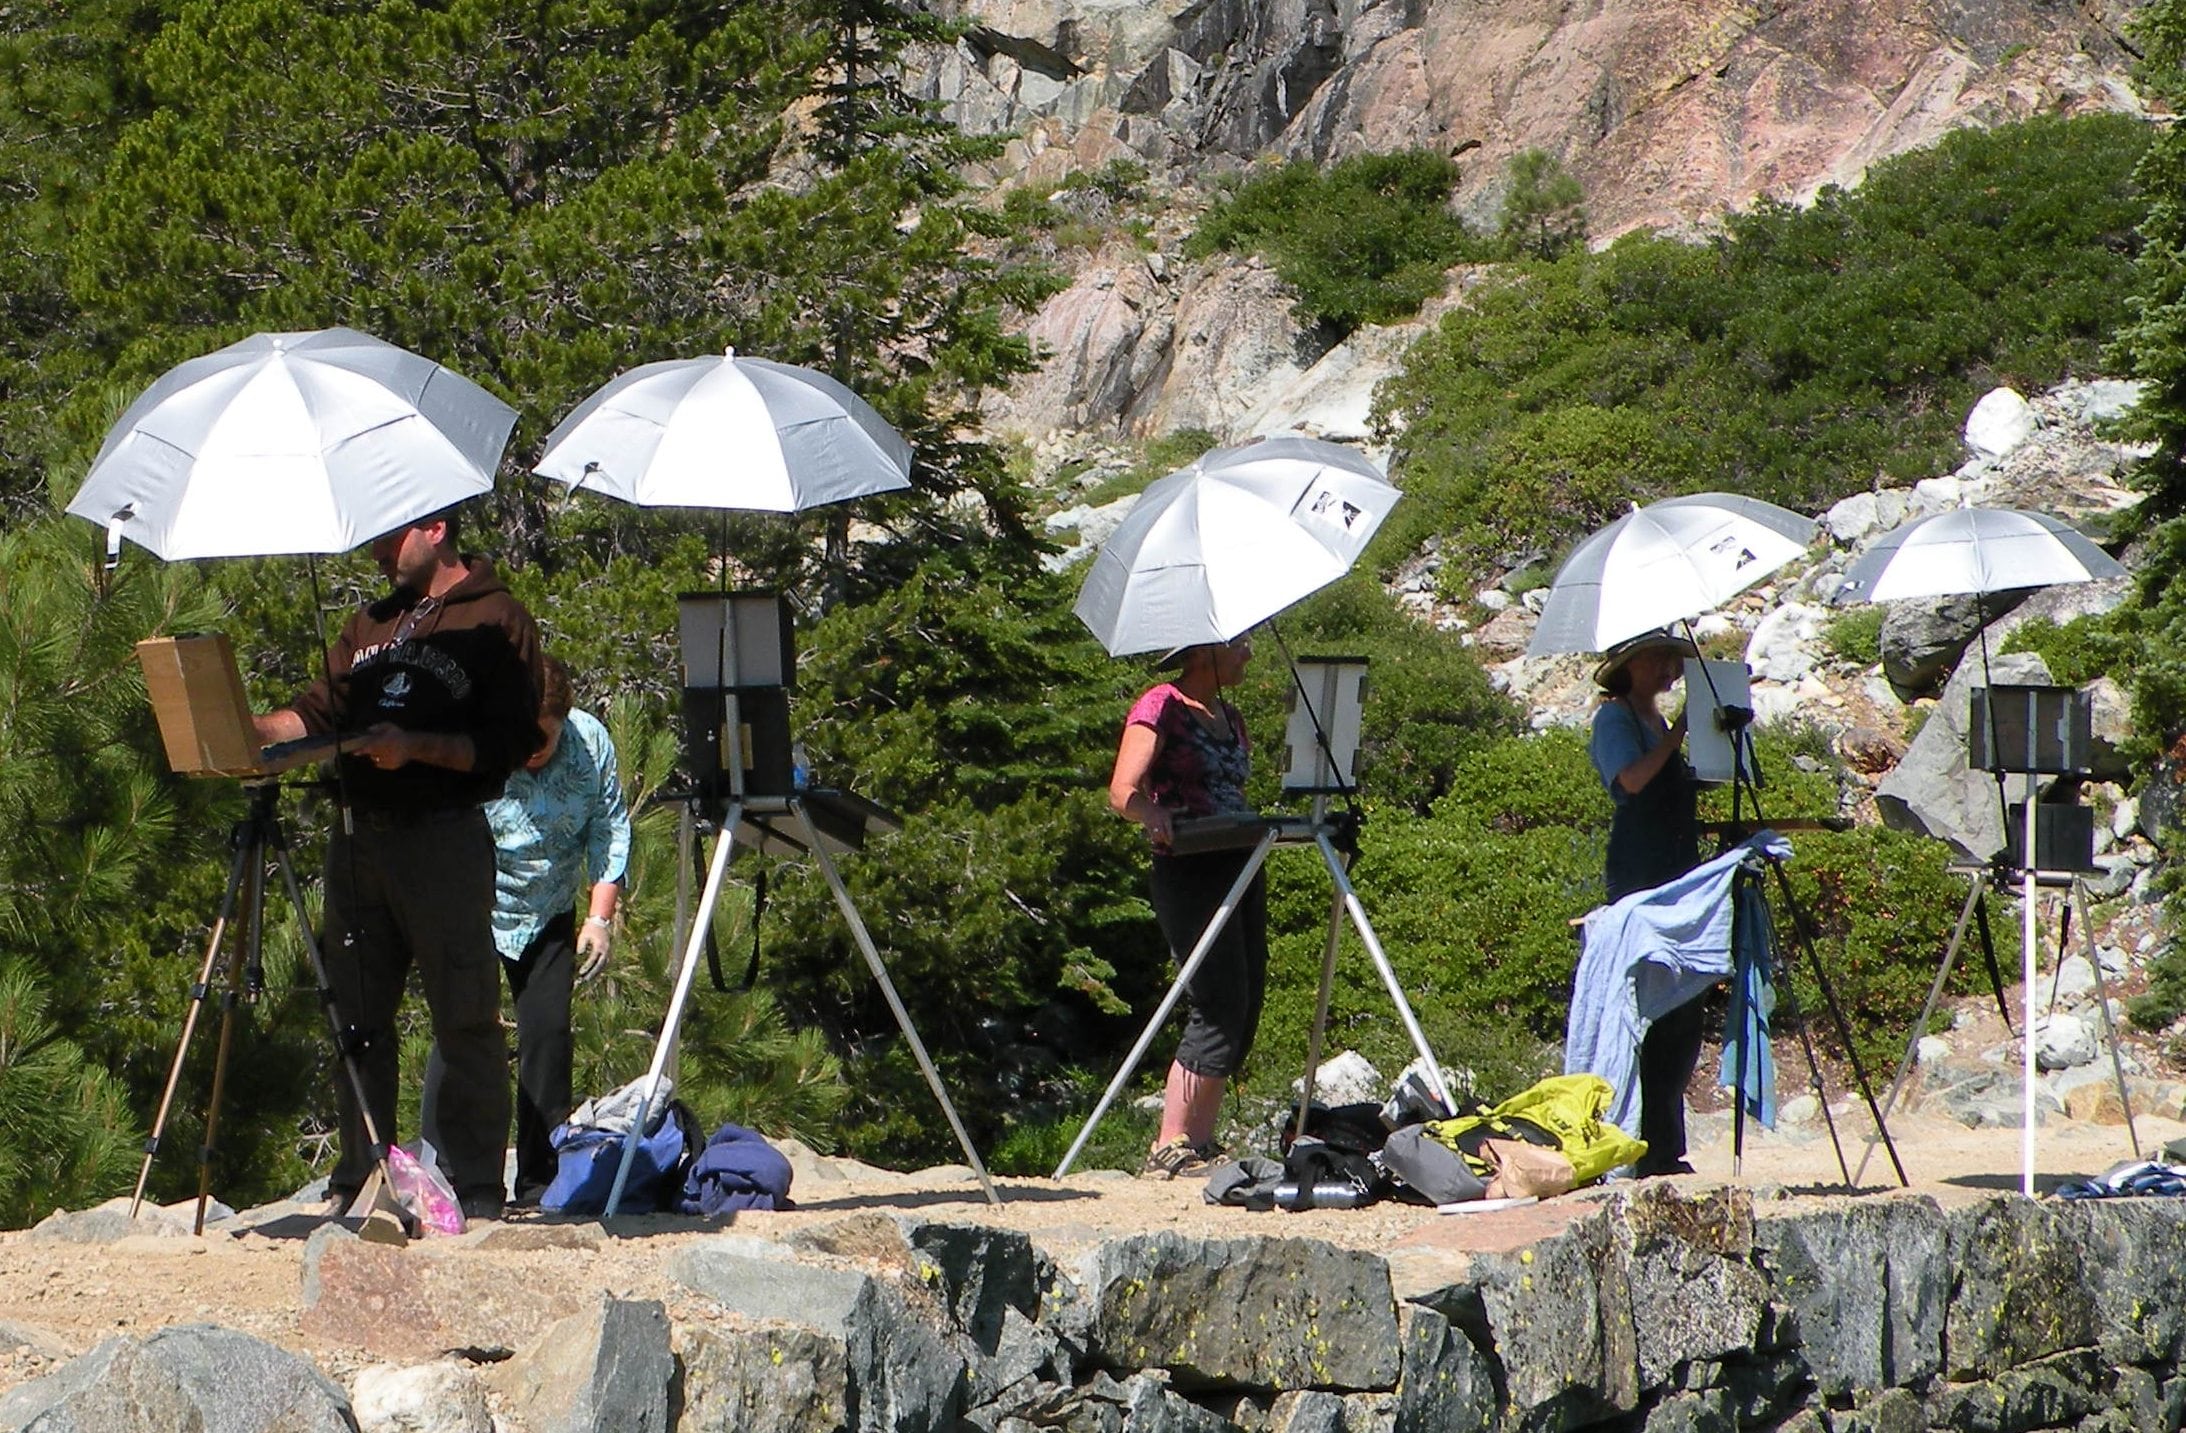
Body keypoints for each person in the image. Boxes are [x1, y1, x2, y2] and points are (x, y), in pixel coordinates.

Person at [255, 506, 543, 1221]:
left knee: (464, 1012)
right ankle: (363, 1176)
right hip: (358, 840)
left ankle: (476, 1184)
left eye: (391, 536)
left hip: (442, 836)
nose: (378, 552)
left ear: (436, 527)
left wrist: (415, 747)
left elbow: (510, 742)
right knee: (354, 1015)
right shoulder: (369, 625)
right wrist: (249, 732)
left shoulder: (497, 618)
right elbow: (317, 714)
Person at [423, 655, 632, 1208]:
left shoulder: (590, 744)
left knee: (548, 1036)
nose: (532, 749)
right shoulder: (477, 744)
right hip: (477, 899)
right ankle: (448, 1173)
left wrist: (599, 916)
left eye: (542, 737)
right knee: (463, 1030)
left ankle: (538, 1179)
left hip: (549, 907)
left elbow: (610, 827)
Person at [1108, 635, 1266, 1180]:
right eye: (1240, 645)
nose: (1248, 655)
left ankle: (1197, 1142)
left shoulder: (1232, 716)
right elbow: (1122, 791)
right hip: (1189, 868)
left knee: (1244, 1003)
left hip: (1241, 861)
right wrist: (1152, 814)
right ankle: (1169, 1142)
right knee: (1216, 999)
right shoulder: (1161, 706)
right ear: (1204, 653)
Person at [1586, 627, 1706, 1177]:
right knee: (1649, 1007)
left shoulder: (1656, 721)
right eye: (1655, 659)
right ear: (1631, 667)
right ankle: (1638, 1145)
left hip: (1675, 864)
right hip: (1639, 871)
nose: (1665, 668)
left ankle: (1666, 1146)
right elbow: (1631, 780)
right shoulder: (1616, 719)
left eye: (1669, 659)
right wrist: (1677, 736)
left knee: (1681, 1010)